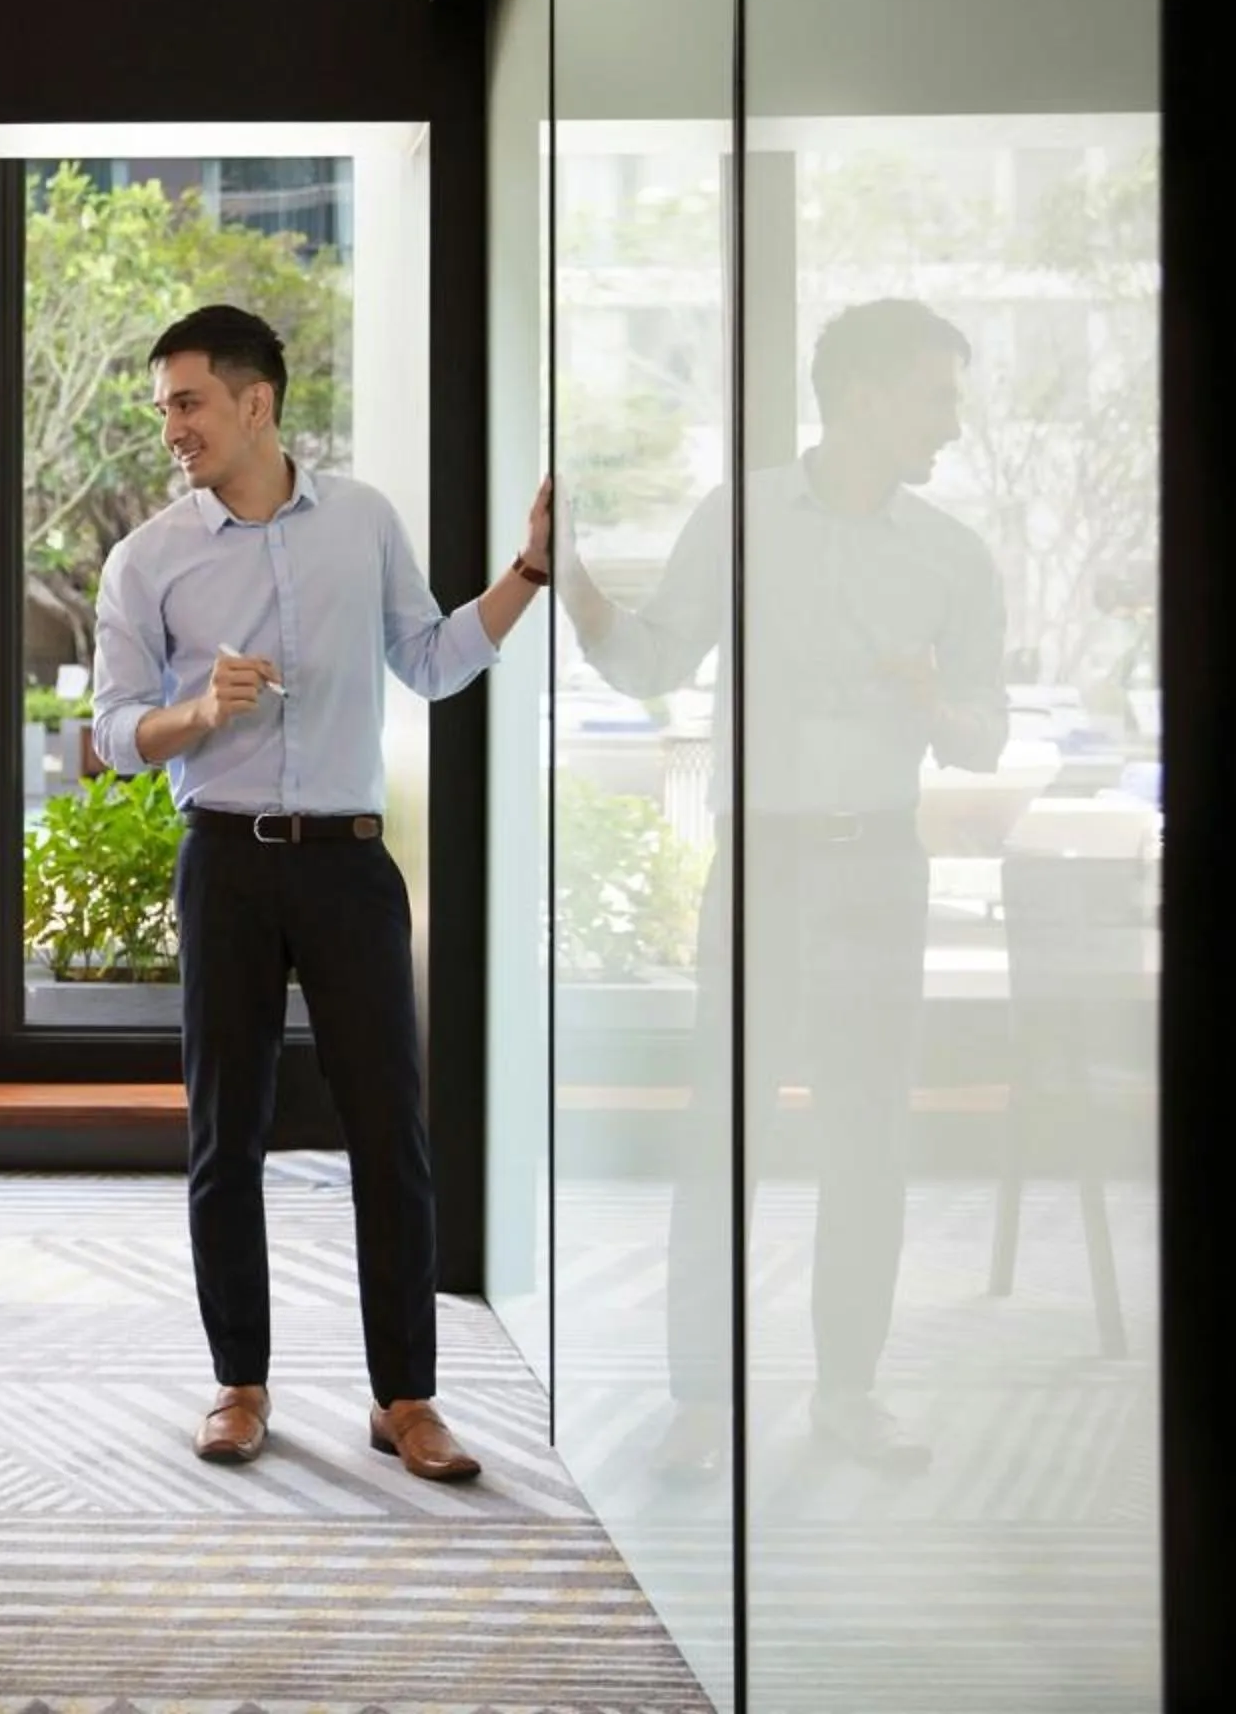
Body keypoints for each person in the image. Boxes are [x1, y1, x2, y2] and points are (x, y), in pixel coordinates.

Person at [91, 304, 553, 1481]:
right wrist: (198, 711)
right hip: (228, 861)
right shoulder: (148, 556)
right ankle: (239, 1380)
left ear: (257, 402)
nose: (173, 429)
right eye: (164, 409)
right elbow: (110, 734)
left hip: (350, 861)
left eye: (188, 402)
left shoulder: (363, 521)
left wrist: (530, 571)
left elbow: (436, 661)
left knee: (390, 1131)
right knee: (224, 1132)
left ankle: (407, 1397)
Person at [553, 297, 1006, 1477]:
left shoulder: (953, 555)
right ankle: (703, 1399)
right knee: (724, 1138)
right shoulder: (742, 517)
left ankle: (849, 1392)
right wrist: (574, 583)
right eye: (935, 395)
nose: (951, 424)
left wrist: (933, 707)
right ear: (861, 394)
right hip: (764, 863)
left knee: (871, 1140)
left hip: (882, 866)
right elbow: (654, 661)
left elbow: (986, 736)